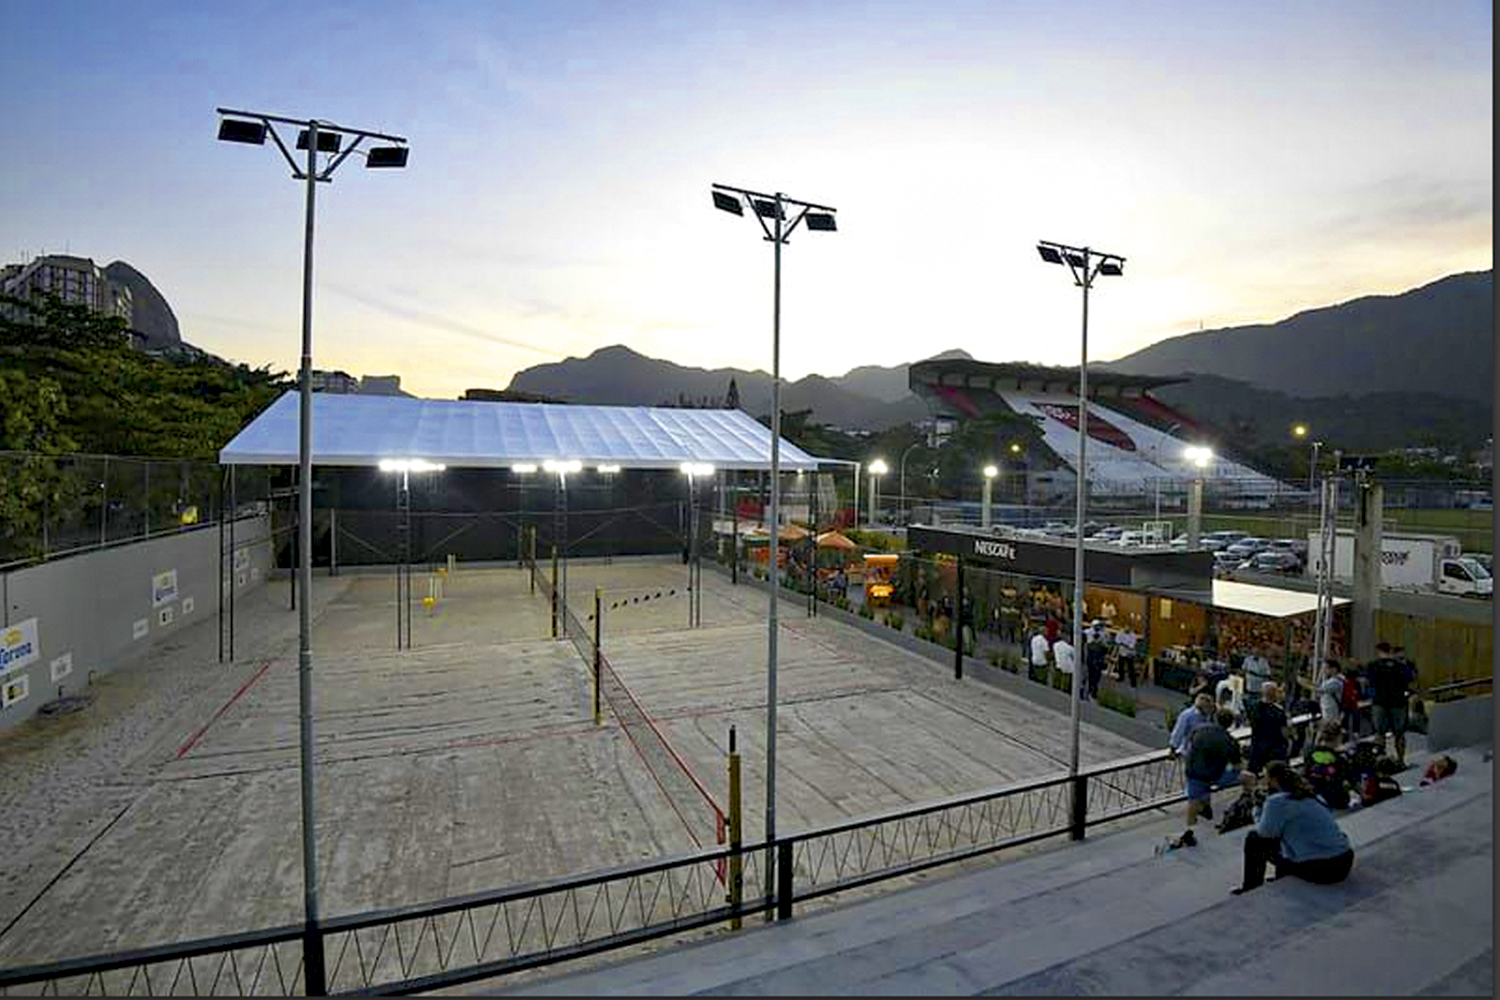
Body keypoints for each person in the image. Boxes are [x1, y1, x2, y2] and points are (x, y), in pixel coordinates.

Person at [1233, 761, 1354, 894]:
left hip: (1322, 868)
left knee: (1254, 839)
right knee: (1287, 835)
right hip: (1344, 861)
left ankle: (1251, 887)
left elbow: (1264, 833)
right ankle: (1284, 873)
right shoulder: (1312, 795)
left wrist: (1256, 809)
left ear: (1272, 780)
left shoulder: (1276, 802)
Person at [1168, 708, 1244, 849]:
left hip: (1195, 774)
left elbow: (1189, 745)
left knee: (1193, 801)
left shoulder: (1199, 729)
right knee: (1248, 777)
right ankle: (1244, 806)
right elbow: (1237, 766)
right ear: (1230, 724)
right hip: (1215, 777)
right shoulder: (1231, 741)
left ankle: (1190, 830)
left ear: (1214, 718)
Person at [1365, 642, 1417, 767]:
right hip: (1395, 702)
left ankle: (1382, 759)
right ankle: (1398, 760)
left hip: (1383, 702)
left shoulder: (1375, 665)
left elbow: (1369, 680)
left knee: (1381, 732)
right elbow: (1410, 678)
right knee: (1397, 733)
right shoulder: (1400, 665)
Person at [1303, 720, 1351, 810]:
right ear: (1338, 738)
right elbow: (1350, 778)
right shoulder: (1339, 758)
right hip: (1337, 798)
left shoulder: (1309, 752)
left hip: (1315, 798)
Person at [1245, 681, 1290, 776]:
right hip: (1275, 748)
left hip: (1257, 746)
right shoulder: (1279, 712)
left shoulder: (1253, 708)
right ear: (1274, 694)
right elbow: (1285, 732)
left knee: (1253, 772)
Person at [1170, 692, 1217, 757]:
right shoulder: (1187, 715)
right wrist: (1173, 747)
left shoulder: (1208, 716)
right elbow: (1179, 732)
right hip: (1187, 751)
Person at [1243, 647, 1273, 713]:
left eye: (1258, 651)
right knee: (1249, 706)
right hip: (1250, 687)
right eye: (1255, 651)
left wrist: (1258, 675)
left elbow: (1268, 674)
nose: (1256, 652)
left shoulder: (1264, 661)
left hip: (1259, 688)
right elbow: (1244, 671)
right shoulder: (1247, 660)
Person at [1317, 659, 1346, 724]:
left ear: (1334, 669)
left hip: (1332, 711)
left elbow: (1319, 689)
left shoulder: (1335, 681)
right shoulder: (1330, 680)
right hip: (1328, 710)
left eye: (1326, 668)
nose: (1324, 671)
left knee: (1329, 729)